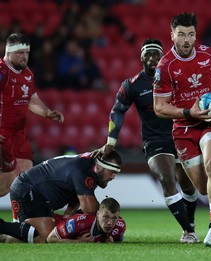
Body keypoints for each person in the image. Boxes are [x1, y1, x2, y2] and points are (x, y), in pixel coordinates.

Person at [153, 12, 211, 248]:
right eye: (181, 34)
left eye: (190, 34)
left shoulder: (209, 55)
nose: (186, 40)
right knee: (203, 188)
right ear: (172, 35)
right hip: (183, 128)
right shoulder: (165, 67)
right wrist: (188, 113)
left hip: (210, 123)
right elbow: (159, 108)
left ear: (195, 35)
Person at [98, 38, 199, 243]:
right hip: (155, 141)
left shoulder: (176, 78)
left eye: (156, 54)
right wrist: (111, 139)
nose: (152, 58)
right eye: (148, 54)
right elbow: (117, 110)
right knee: (166, 178)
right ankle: (189, 231)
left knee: (189, 187)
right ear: (141, 57)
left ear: (162, 57)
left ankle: (191, 223)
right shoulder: (132, 85)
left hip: (181, 136)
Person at [0, 150, 122, 243]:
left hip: (31, 188)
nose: (113, 176)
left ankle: (7, 235)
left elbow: (78, 193)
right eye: (111, 171)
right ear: (100, 166)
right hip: (29, 189)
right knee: (45, 237)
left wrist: (69, 213)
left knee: (50, 234)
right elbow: (89, 209)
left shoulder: (90, 168)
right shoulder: (82, 173)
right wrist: (105, 225)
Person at [0, 33, 64, 198]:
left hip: (19, 134)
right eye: (20, 53)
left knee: (25, 179)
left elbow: (32, 100)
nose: (24, 57)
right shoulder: (2, 71)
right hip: (3, 134)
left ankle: (21, 221)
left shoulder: (27, 74)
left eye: (27, 53)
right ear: (8, 52)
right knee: (6, 184)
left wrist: (46, 112)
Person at [47, 197, 126, 243]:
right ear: (98, 215)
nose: (110, 223)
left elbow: (119, 238)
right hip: (51, 220)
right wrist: (78, 241)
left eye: (114, 218)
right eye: (105, 217)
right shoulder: (78, 222)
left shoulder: (120, 226)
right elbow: (50, 238)